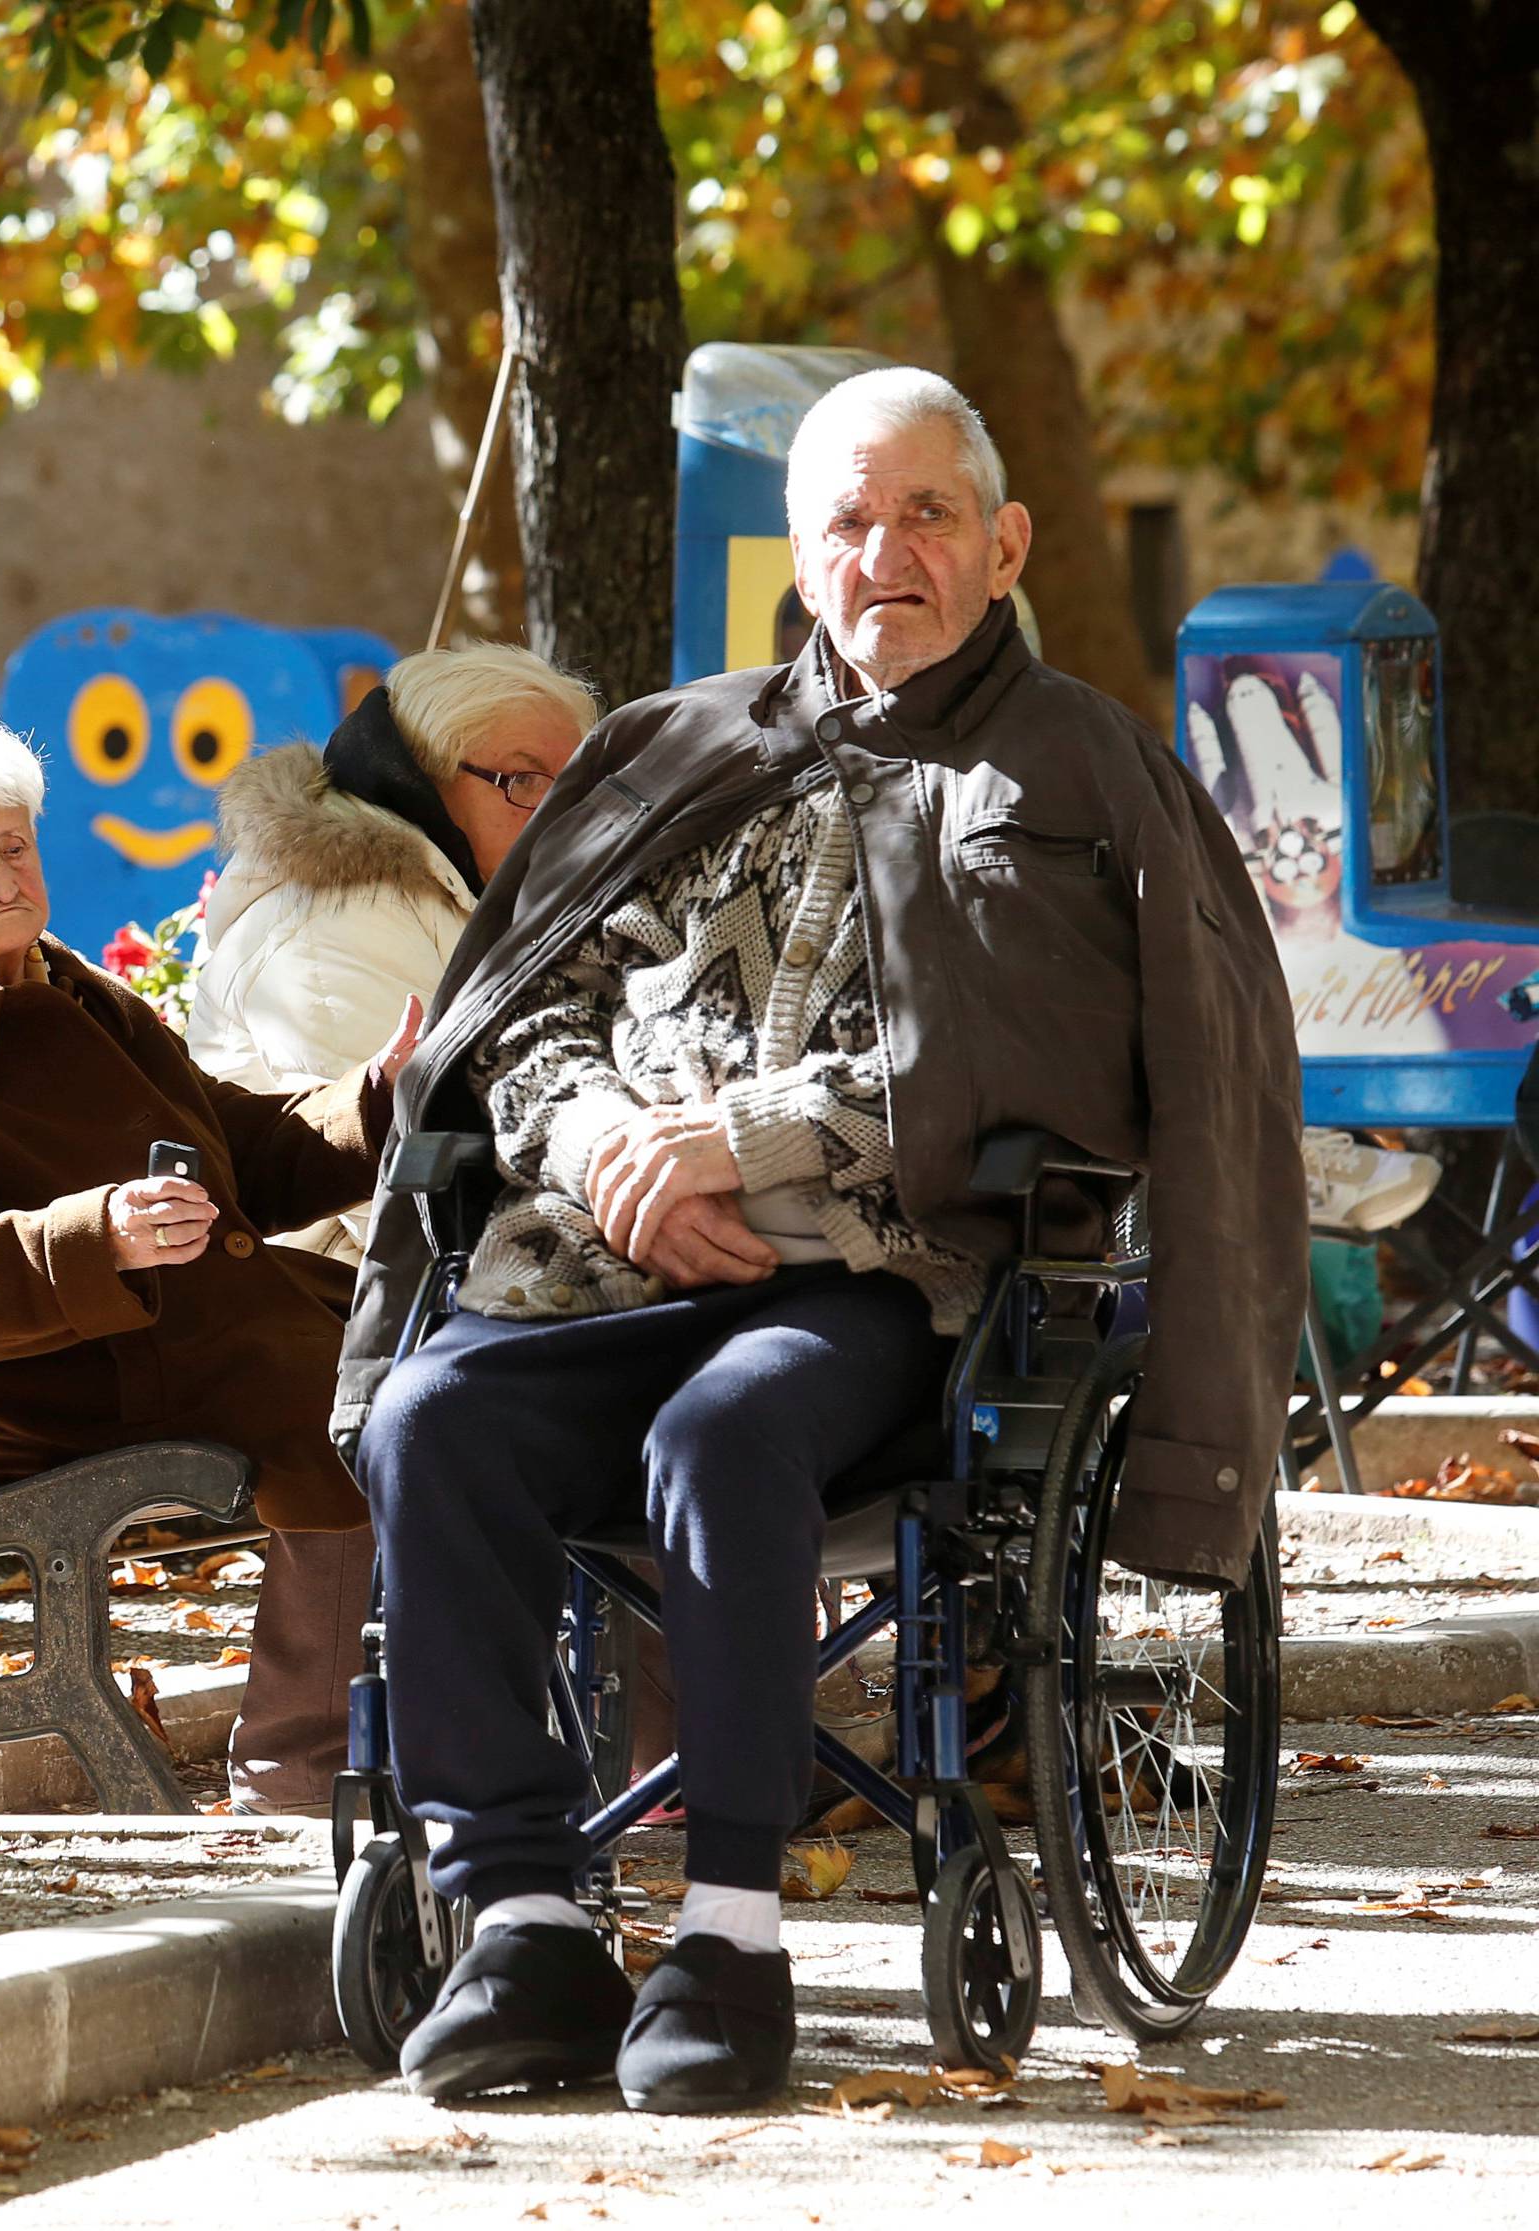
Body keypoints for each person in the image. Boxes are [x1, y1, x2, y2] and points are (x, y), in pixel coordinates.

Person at [337, 367, 1308, 2113]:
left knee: (728, 1432)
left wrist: (749, 1137)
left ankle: (728, 1937)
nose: (889, 554)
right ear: (801, 552)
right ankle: (522, 1919)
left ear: (1004, 543)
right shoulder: (673, 745)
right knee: (436, 1423)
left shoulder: (1081, 770)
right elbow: (523, 1004)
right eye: (850, 520)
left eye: (928, 513)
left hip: (887, 1293)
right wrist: (612, 1139)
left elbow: (1075, 1064)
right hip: (608, 1257)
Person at [0, 711, 415, 1593]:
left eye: (14, 845)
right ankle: (310, 1723)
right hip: (71, 1392)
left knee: (463, 1355)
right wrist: (102, 1238)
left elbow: (233, 1150)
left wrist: (382, 1096)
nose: (4, 877)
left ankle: (508, 1689)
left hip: (194, 1342)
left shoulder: (73, 988)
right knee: (369, 1404)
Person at [188, 645, 597, 1811]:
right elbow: (372, 1184)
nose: (549, 811)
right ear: (425, 776)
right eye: (521, 779)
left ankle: (659, 1756)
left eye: (571, 784)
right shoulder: (351, 916)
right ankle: (652, 1761)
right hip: (328, 1287)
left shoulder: (452, 889)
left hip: (413, 1266)